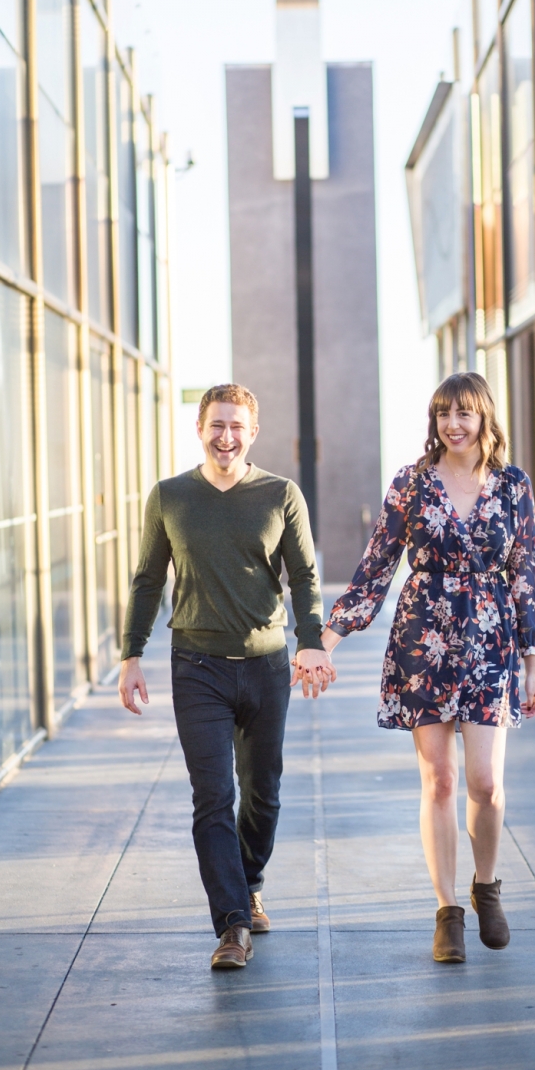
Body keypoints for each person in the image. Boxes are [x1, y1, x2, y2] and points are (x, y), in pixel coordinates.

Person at [319, 372, 535, 963]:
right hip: (423, 640)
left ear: (484, 419)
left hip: (491, 639)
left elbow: (525, 573)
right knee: (440, 779)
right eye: (445, 413)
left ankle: (486, 886)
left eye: (465, 414)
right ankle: (447, 911)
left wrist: (533, 660)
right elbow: (375, 569)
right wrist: (326, 640)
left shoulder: (514, 486)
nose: (454, 424)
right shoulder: (411, 485)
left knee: (485, 783)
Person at [118, 383, 335, 970]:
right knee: (213, 798)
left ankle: (250, 881)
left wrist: (310, 642)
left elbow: (306, 577)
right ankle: (233, 923)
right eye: (217, 425)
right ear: (200, 428)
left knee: (263, 793)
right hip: (197, 668)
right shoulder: (169, 496)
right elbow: (147, 580)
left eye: (237, 426)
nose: (226, 436)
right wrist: (131, 653)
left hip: (266, 667)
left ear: (253, 432)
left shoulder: (280, 495)